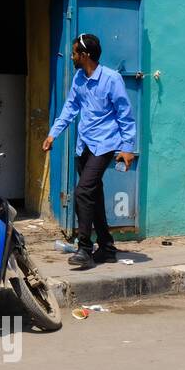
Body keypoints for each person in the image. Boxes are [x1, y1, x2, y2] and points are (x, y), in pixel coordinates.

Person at [42, 32, 138, 269]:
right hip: (84, 144)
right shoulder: (79, 78)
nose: (72, 56)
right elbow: (70, 107)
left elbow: (125, 115)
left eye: (74, 53)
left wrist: (127, 147)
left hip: (104, 145)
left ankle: (84, 248)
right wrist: (54, 133)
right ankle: (106, 247)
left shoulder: (112, 79)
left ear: (85, 55)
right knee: (93, 195)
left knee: (83, 192)